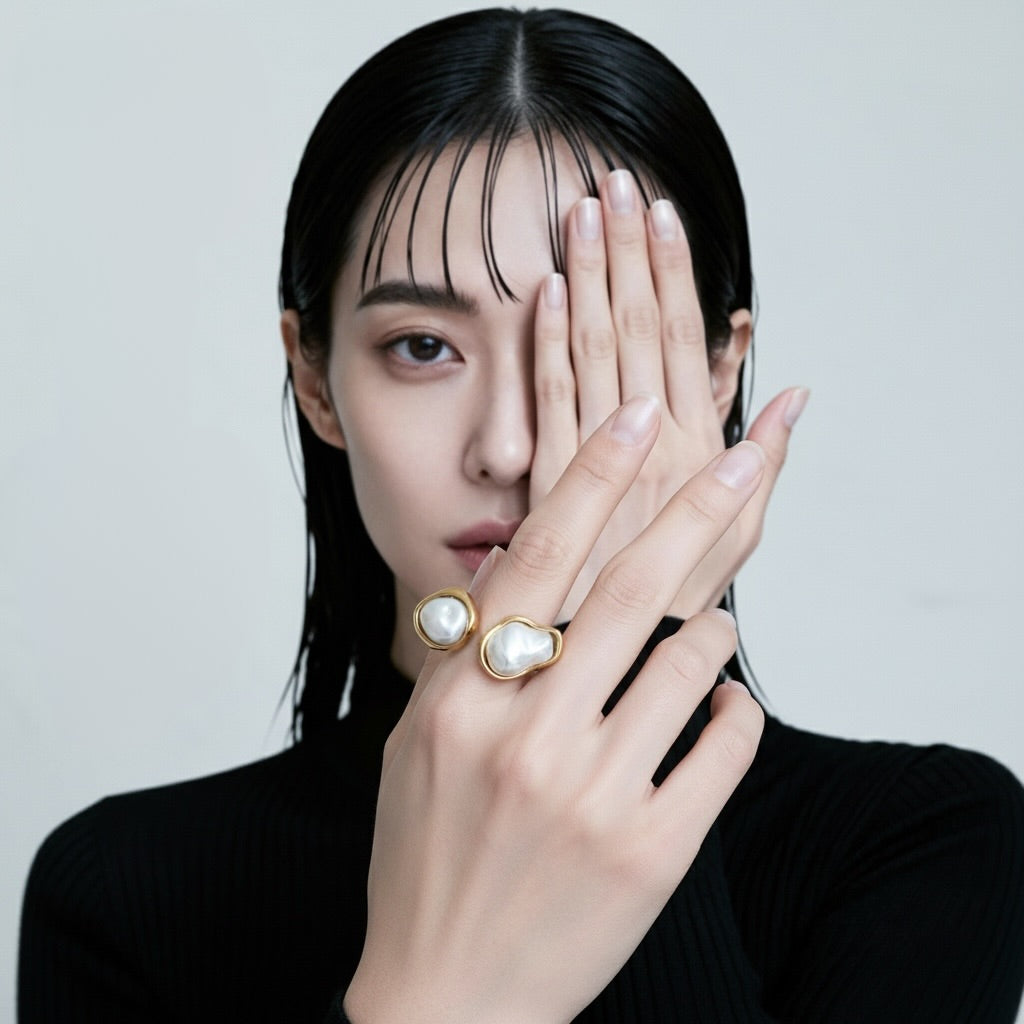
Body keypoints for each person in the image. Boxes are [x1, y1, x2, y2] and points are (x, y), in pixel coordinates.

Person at [18, 8, 1024, 1022]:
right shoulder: (121, 886)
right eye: (421, 347)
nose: (506, 446)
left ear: (716, 375)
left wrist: (620, 683)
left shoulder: (922, 843)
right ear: (314, 378)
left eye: (584, 343)